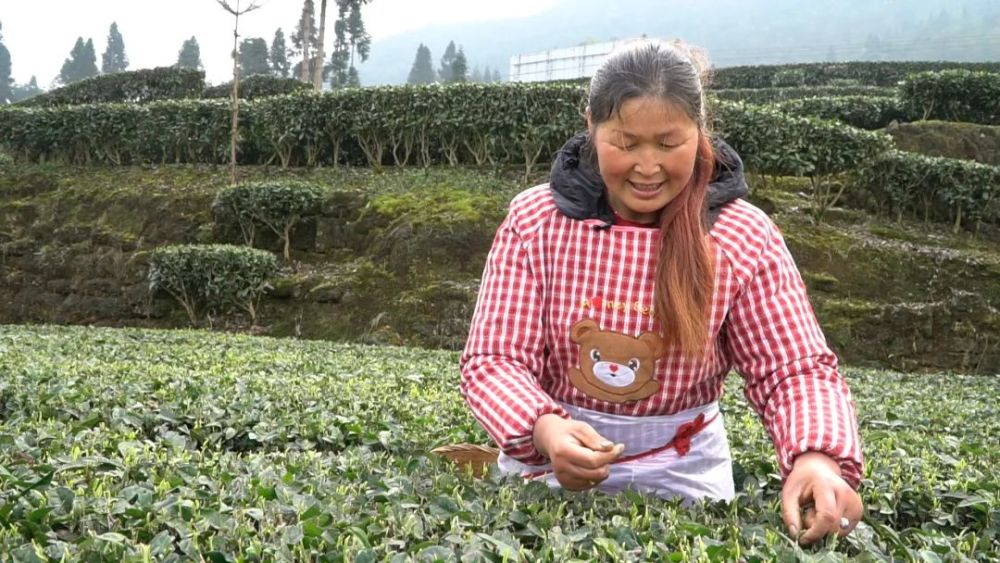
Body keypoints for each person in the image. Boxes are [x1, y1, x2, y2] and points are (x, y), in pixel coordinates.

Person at [459, 39, 864, 545]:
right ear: (591, 126)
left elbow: (792, 368)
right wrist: (544, 429)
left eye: (669, 144)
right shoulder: (536, 221)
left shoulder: (741, 235)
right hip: (551, 462)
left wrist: (817, 458)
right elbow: (495, 359)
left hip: (683, 472)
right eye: (625, 144)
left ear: (700, 131)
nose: (647, 167)